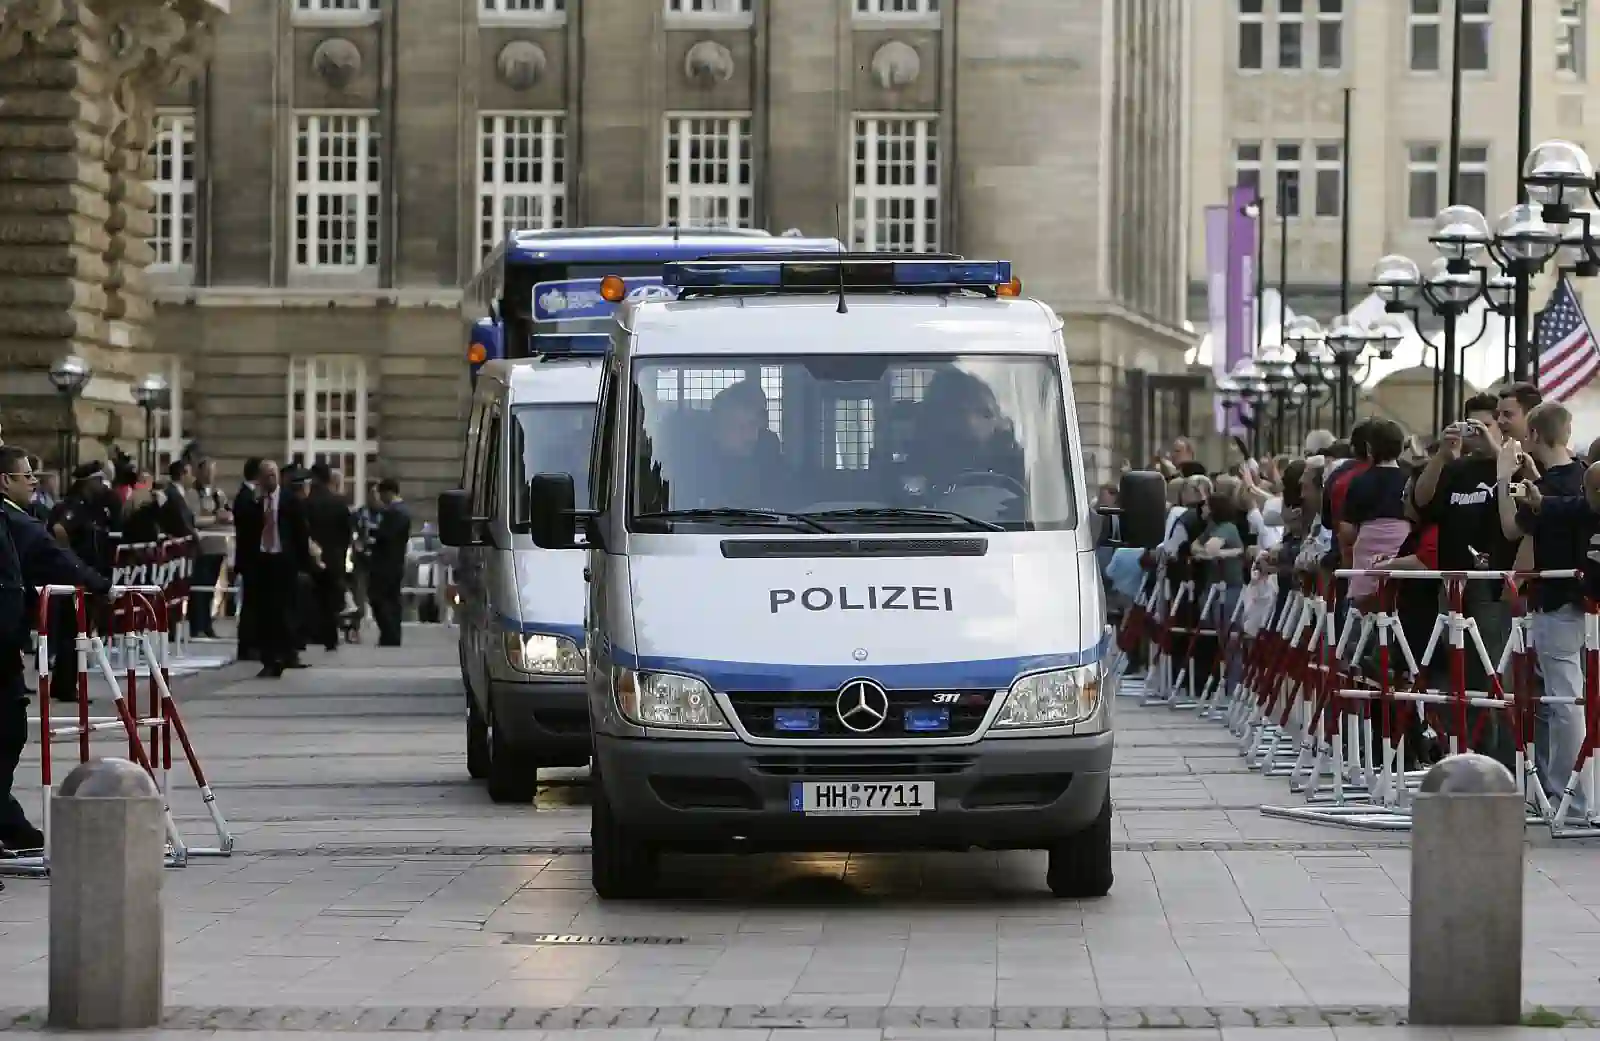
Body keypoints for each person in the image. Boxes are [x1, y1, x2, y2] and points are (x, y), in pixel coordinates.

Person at [0, 446, 111, 855]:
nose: (34, 479)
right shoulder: (13, 517)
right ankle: (8, 822)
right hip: (3, 643)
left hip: (8, 641)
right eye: (26, 473)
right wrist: (100, 585)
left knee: (9, 727)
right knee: (8, 728)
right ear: (4, 480)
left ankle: (8, 822)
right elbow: (53, 555)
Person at [1412, 392, 1518, 770]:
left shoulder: (1508, 464)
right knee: (1463, 678)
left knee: (1494, 675)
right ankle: (1469, 760)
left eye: (1486, 425)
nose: (1477, 433)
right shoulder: (1456, 470)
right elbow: (1422, 501)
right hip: (1453, 582)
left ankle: (1502, 764)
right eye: (1470, 425)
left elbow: (1524, 484)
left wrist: (1493, 449)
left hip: (1489, 586)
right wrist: (1442, 454)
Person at [1504, 402, 1591, 825]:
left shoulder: (1546, 489)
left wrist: (1506, 479)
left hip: (1556, 601)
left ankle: (1568, 796)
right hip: (1588, 601)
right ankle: (1583, 794)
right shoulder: (1586, 478)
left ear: (1535, 435)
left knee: (1564, 701)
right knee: (1582, 700)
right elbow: (1567, 504)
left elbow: (1510, 528)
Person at [233, 461, 313, 678]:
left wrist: (304, 564)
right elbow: (245, 535)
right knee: (265, 612)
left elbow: (301, 534)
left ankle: (287, 653)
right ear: (259, 479)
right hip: (262, 561)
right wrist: (241, 564)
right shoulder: (253, 502)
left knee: (285, 610)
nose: (271, 480)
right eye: (266, 476)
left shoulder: (290, 501)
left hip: (284, 561)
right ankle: (270, 659)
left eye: (273, 475)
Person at [1342, 419, 1411, 605]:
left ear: (1369, 448)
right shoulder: (1410, 477)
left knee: (1363, 607)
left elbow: (1347, 530)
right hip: (1402, 547)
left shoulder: (1359, 481)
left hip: (1367, 548)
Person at [305, 464, 352, 652]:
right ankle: (330, 637)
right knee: (331, 599)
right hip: (334, 557)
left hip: (311, 556)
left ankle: (312, 633)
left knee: (312, 596)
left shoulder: (307, 502)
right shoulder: (339, 502)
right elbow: (347, 533)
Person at [185, 459, 231, 640]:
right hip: (202, 547)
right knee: (199, 589)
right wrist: (214, 519)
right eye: (207, 471)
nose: (211, 475)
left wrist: (224, 516)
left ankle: (207, 624)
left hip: (218, 546)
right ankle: (196, 625)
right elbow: (194, 519)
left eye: (213, 471)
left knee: (210, 589)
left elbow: (228, 512)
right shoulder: (192, 494)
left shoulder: (218, 494)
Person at [369, 478, 411, 648]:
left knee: (380, 598)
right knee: (392, 599)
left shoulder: (394, 512)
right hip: (396, 562)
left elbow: (384, 536)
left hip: (386, 564)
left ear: (388, 492)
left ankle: (389, 634)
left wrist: (372, 534)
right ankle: (392, 634)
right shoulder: (401, 511)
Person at [233, 458, 262, 661]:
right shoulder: (246, 496)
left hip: (250, 557)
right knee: (250, 603)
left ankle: (251, 644)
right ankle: (247, 646)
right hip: (250, 557)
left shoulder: (250, 495)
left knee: (252, 602)